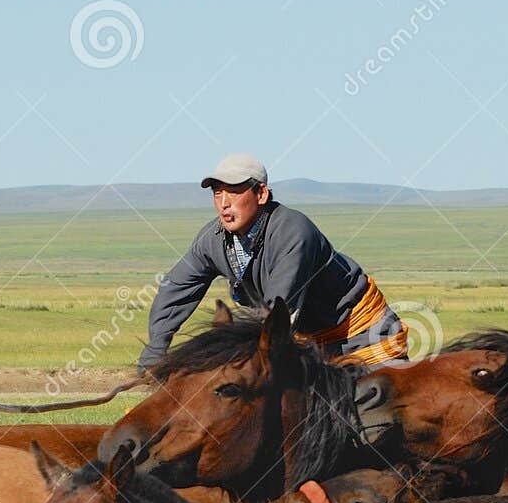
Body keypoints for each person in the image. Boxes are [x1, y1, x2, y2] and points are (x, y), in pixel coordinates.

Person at [137, 154, 407, 370]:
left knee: (380, 423)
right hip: (306, 342)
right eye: (217, 193)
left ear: (261, 194)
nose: (224, 203)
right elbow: (175, 289)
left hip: (362, 334)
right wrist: (154, 354)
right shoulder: (213, 239)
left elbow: (277, 307)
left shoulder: (293, 231)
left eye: (234, 191)